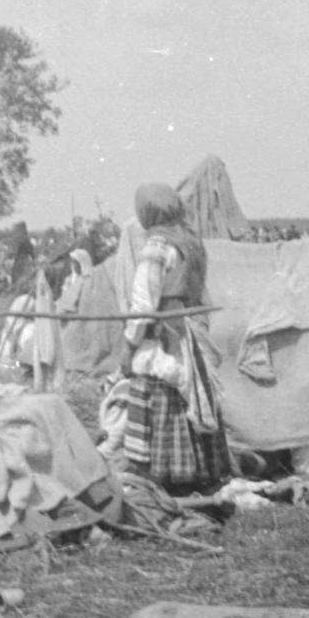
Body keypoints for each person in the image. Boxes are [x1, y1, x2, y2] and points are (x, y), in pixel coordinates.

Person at [111, 183, 231, 492]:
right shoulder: (191, 242)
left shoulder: (156, 249)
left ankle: (163, 477)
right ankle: (198, 473)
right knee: (191, 393)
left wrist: (128, 347)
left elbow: (143, 306)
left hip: (165, 336)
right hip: (190, 331)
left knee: (161, 394)